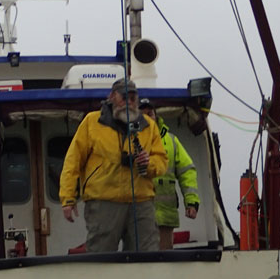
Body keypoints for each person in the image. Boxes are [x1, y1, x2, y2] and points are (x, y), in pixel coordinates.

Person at [59, 79, 167, 252]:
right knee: (101, 256)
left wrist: (148, 163)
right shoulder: (92, 122)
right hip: (103, 202)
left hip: (141, 202)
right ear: (111, 97)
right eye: (124, 97)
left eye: (133, 98)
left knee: (148, 255)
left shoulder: (148, 125)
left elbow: (161, 161)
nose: (129, 102)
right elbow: (73, 161)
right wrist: (68, 198)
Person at [138, 98, 200, 250]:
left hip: (166, 216)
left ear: (155, 115)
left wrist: (191, 202)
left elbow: (187, 171)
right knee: (141, 262)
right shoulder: (130, 140)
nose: (148, 117)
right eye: (143, 114)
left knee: (164, 261)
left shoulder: (172, 141)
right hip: (139, 217)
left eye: (150, 113)